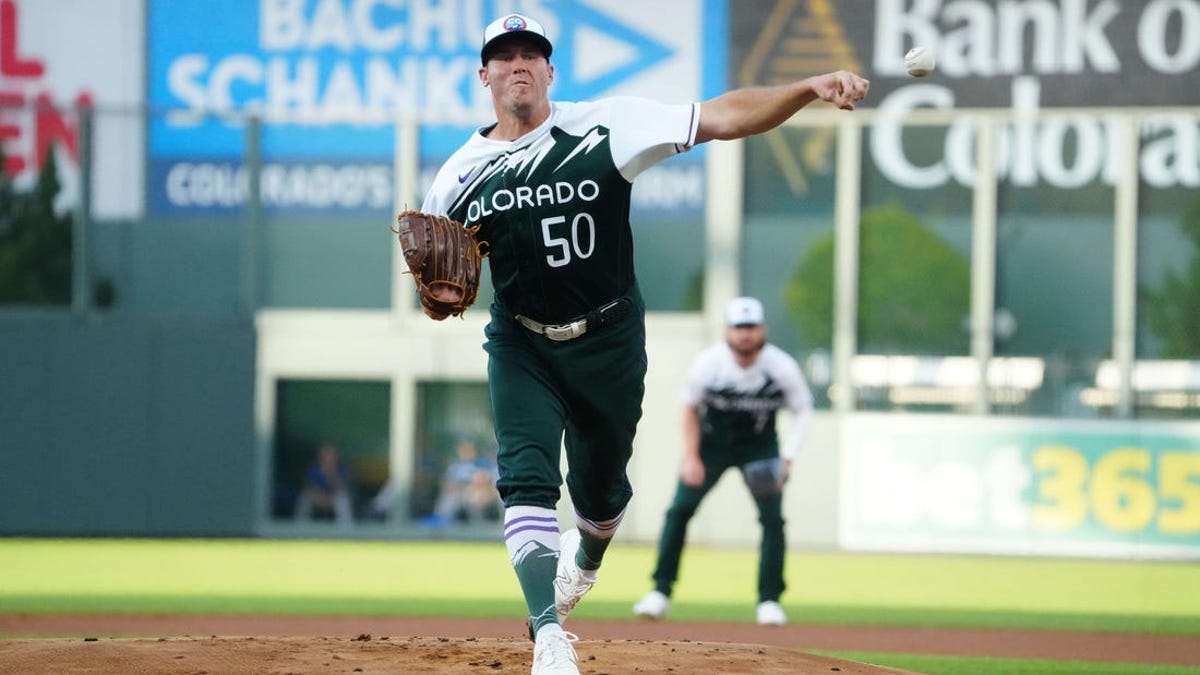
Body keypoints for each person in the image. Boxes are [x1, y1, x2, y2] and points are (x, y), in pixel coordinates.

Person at [416, 13, 867, 674]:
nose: (519, 64)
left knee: (601, 499)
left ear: (550, 70)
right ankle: (547, 634)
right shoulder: (459, 175)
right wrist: (439, 299)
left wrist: (807, 86)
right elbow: (438, 282)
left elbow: (724, 117)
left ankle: (587, 559)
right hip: (521, 343)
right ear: (483, 75)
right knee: (527, 477)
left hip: (609, 339)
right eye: (504, 55)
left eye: (532, 53)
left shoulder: (605, 125)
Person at [632, 297, 814, 626]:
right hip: (711, 446)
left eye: (751, 327)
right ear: (727, 331)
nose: (745, 334)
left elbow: (803, 409)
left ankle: (770, 600)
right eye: (738, 327)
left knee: (773, 520)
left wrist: (788, 457)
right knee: (679, 510)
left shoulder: (781, 366)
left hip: (760, 448)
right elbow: (688, 408)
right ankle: (659, 591)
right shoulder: (709, 364)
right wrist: (690, 457)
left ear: (763, 330)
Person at [423, 438, 502, 527]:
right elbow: (447, 484)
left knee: (478, 497)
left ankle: (480, 527)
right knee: (448, 499)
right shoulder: (455, 467)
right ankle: (441, 524)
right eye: (463, 450)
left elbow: (489, 483)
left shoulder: (483, 464)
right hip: (460, 493)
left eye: (469, 450)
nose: (466, 453)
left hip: (482, 494)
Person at [293, 442, 354, 525]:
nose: (329, 457)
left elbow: (342, 488)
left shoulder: (341, 468)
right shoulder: (314, 468)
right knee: (305, 497)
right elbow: (309, 486)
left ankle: (345, 529)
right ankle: (300, 527)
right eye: (326, 455)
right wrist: (321, 496)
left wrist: (330, 473)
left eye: (331, 455)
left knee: (343, 499)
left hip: (333, 498)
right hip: (318, 496)